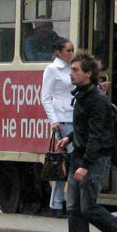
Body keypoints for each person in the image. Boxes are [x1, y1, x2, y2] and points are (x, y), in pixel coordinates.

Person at [56, 53, 117, 232]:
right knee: (73, 208)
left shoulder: (97, 100)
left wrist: (85, 165)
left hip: (94, 158)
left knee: (87, 207)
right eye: (71, 69)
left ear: (88, 74)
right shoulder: (82, 95)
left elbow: (97, 135)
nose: (71, 73)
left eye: (75, 70)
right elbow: (84, 128)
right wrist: (69, 138)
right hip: (79, 155)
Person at [40, 37, 75, 218]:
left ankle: (59, 204)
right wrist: (53, 120)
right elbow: (45, 97)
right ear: (59, 52)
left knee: (68, 162)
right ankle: (58, 203)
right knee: (67, 160)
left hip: (74, 116)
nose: (71, 53)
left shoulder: (73, 68)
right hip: (62, 119)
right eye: (68, 51)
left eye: (72, 50)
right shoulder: (52, 70)